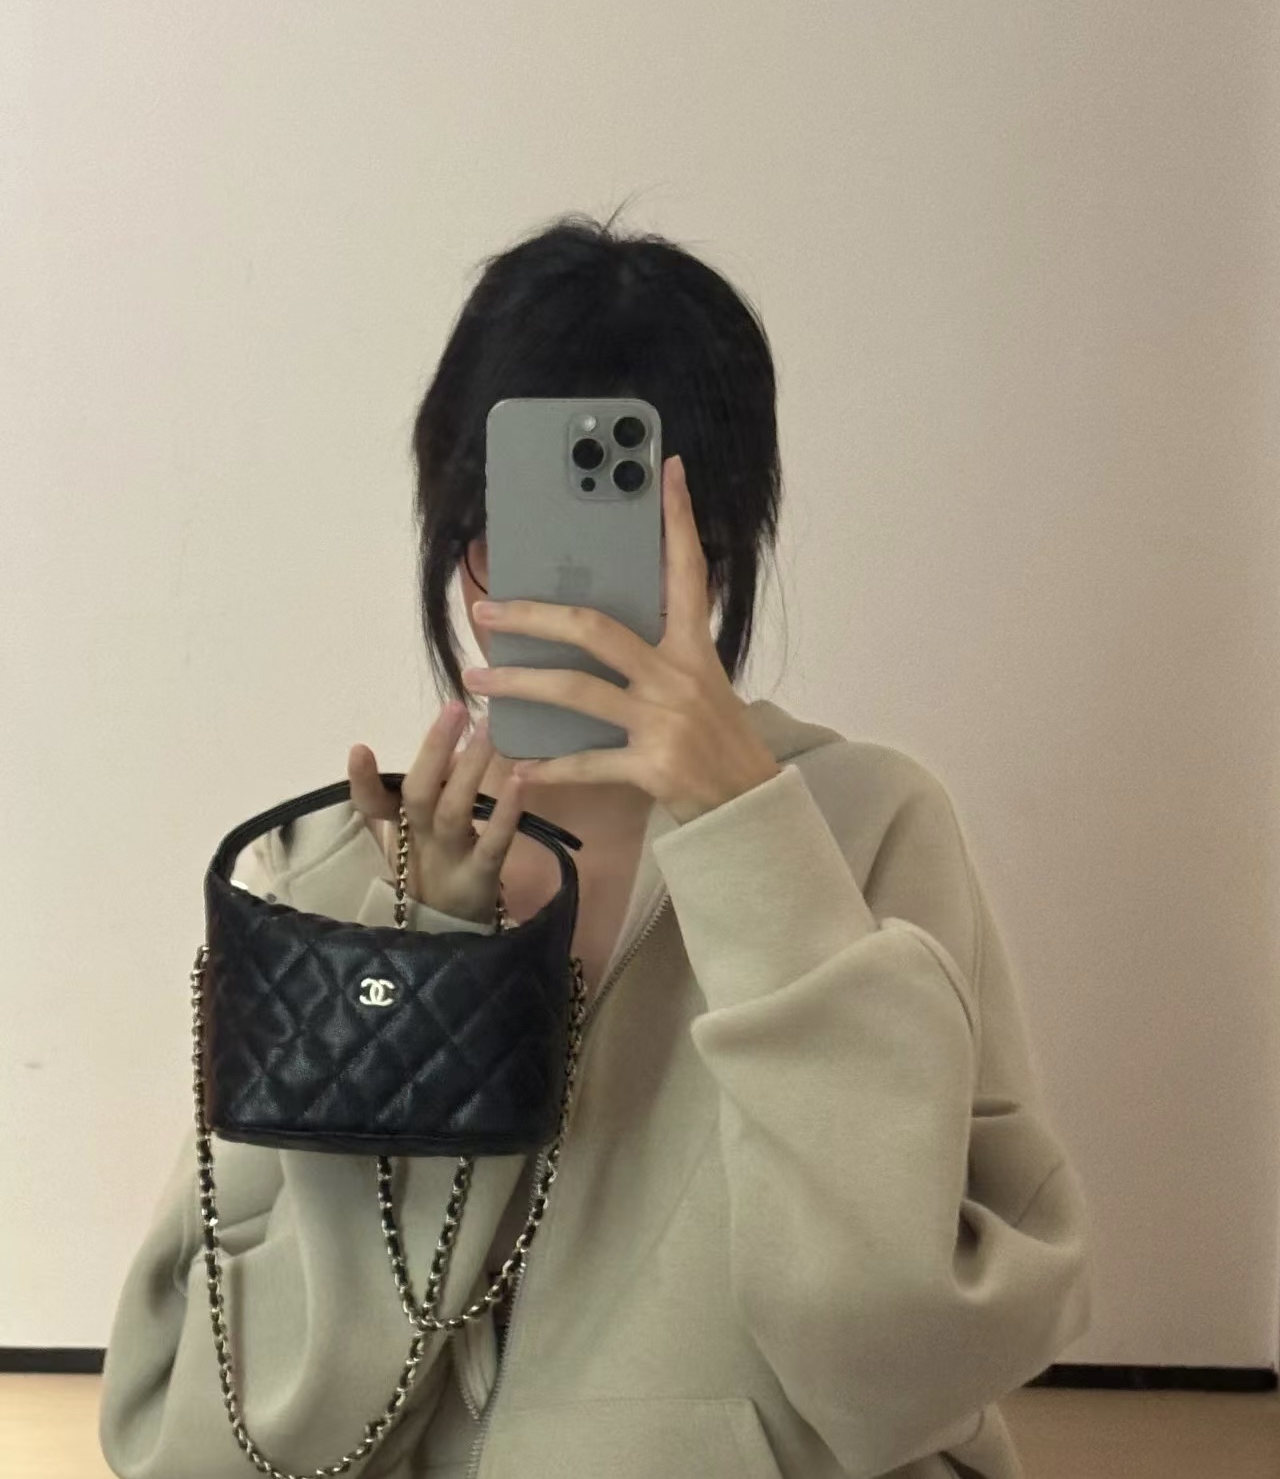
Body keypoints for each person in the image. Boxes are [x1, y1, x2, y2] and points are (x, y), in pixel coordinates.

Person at [99, 212, 1092, 1479]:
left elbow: (900, 1363)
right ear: (458, 543)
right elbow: (207, 1444)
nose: (563, 583)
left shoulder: (865, 832)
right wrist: (427, 979)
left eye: (635, 533)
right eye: (506, 526)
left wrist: (751, 846)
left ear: (717, 544)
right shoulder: (332, 876)